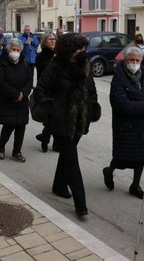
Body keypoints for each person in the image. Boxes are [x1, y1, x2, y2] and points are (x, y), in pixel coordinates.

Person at [33, 33, 100, 217]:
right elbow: (40, 90)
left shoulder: (85, 66)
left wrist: (93, 107)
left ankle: (59, 185)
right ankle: (81, 205)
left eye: (83, 49)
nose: (81, 52)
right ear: (68, 51)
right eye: (77, 49)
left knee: (66, 156)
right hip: (61, 122)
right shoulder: (55, 66)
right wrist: (52, 110)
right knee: (72, 161)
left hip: (80, 121)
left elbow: (92, 90)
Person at [103, 46, 144, 199]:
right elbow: (120, 104)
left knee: (141, 157)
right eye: (131, 60)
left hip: (143, 123)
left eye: (137, 60)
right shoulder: (119, 77)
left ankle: (135, 186)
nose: (134, 63)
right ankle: (109, 170)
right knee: (121, 157)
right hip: (125, 125)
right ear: (125, 62)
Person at [0, 38, 33, 163]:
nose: (15, 52)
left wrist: (23, 93)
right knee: (9, 125)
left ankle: (17, 151)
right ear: (8, 49)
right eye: (13, 49)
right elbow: (0, 82)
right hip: (8, 99)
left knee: (21, 127)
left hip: (22, 100)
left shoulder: (25, 63)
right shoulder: (1, 63)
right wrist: (14, 94)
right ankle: (1, 145)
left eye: (18, 50)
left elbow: (29, 81)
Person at [35, 31, 57, 152]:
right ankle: (46, 138)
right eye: (50, 39)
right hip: (46, 91)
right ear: (44, 42)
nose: (53, 41)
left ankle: (45, 137)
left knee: (56, 117)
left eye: (54, 39)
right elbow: (44, 73)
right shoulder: (41, 56)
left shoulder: (59, 54)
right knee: (51, 117)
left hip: (58, 89)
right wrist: (53, 60)